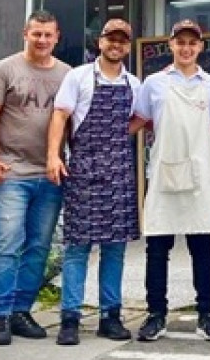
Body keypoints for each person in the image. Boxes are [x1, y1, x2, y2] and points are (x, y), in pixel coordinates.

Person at [131, 18, 210, 343]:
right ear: (170, 45)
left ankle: (207, 314)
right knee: (157, 249)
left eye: (192, 43)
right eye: (180, 42)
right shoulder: (154, 83)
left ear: (200, 47)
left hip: (200, 175)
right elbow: (142, 120)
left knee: (203, 249)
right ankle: (156, 314)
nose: (186, 48)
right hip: (164, 172)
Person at [0, 9, 71, 345]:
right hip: (11, 172)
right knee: (5, 246)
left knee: (38, 248)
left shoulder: (67, 74)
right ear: (25, 34)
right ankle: (0, 316)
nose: (43, 40)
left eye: (48, 35)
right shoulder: (5, 68)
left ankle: (21, 310)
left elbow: (74, 122)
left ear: (57, 36)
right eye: (37, 34)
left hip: (49, 175)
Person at [47, 18, 142, 345]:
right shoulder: (78, 77)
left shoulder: (134, 83)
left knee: (114, 250)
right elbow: (60, 115)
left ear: (128, 46)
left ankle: (110, 316)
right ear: (100, 42)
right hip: (83, 173)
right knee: (77, 248)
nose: (116, 45)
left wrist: (117, 137)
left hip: (118, 175)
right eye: (110, 39)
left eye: (122, 40)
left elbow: (141, 117)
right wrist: (53, 156)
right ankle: (70, 318)